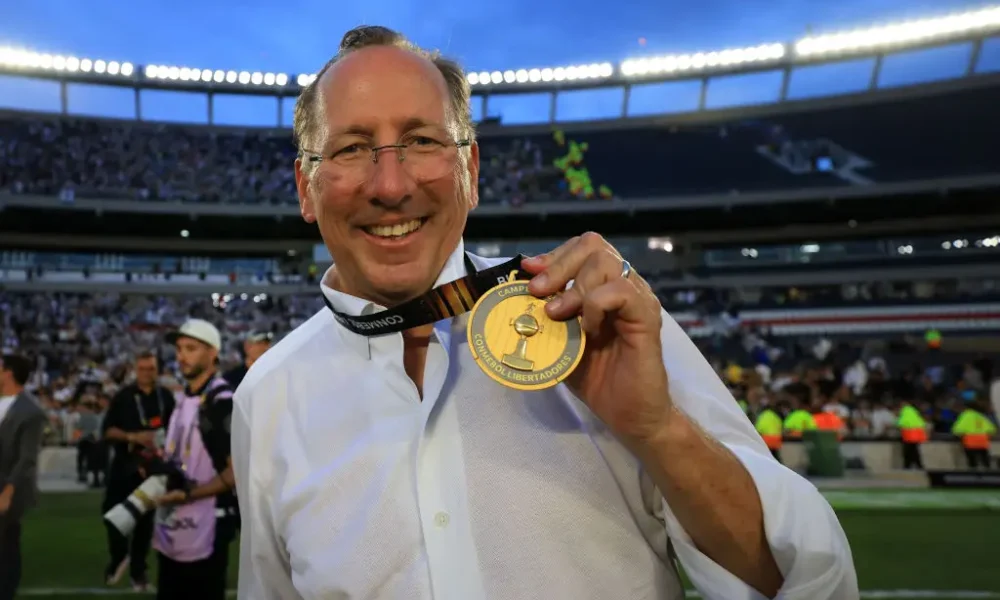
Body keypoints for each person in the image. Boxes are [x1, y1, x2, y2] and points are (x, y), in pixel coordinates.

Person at [232, 26, 857, 600]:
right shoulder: (268, 397)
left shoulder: (598, 322)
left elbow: (809, 582)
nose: (390, 185)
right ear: (304, 189)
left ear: (470, 171)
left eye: (421, 140)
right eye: (351, 148)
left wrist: (659, 432)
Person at [152, 319, 238, 600]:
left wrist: (189, 493)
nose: (181, 356)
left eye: (191, 348)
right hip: (174, 520)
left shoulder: (222, 403)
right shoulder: (182, 398)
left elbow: (235, 473)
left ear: (213, 353)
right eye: (179, 348)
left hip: (208, 523)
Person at [101, 350, 175, 590]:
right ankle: (119, 557)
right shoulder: (123, 397)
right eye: (142, 369)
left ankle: (139, 574)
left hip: (153, 468)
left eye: (151, 369)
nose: (147, 373)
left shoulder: (166, 397)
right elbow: (108, 431)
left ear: (158, 370)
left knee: (145, 524)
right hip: (124, 467)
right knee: (112, 515)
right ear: (135, 370)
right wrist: (133, 436)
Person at [0, 354, 46, 600]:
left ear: (8, 373)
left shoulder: (31, 412)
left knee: (6, 547)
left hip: (10, 490)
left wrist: (7, 492)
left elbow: (26, 459)